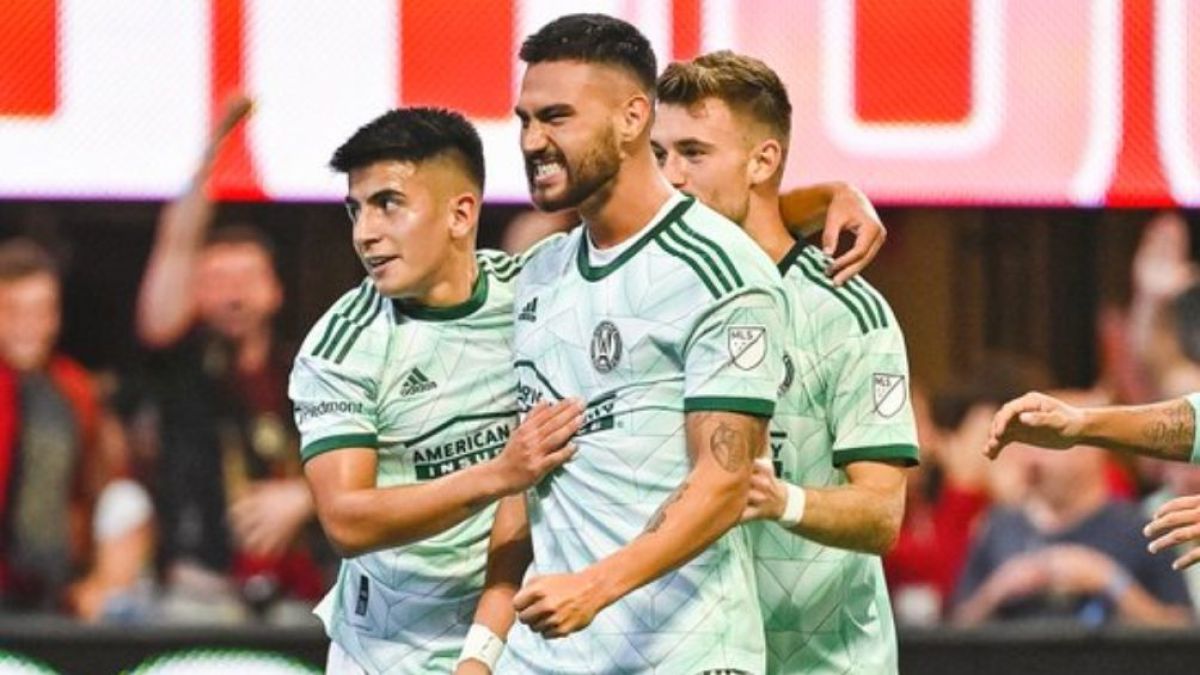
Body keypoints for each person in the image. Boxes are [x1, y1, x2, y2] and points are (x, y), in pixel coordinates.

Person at [462, 15, 790, 674]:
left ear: (633, 118)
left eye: (557, 117)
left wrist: (595, 585)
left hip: (684, 652)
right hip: (549, 654)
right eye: (525, 120)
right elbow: (526, 483)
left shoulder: (717, 269)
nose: (533, 140)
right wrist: (480, 653)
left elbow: (724, 483)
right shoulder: (540, 273)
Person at [651, 50, 918, 673]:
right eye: (659, 155)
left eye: (693, 153)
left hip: (825, 662)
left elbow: (881, 513)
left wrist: (781, 500)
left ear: (763, 160)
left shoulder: (850, 315)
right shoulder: (656, 293)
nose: (671, 177)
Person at [292, 107, 584, 673]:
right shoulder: (342, 346)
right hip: (387, 653)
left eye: (388, 204)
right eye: (356, 209)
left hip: (518, 637)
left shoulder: (534, 296)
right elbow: (346, 519)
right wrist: (499, 473)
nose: (365, 233)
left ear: (461, 213)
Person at [134, 96, 321, 616]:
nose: (235, 296)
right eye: (218, 282)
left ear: (275, 291)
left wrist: (307, 498)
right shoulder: (180, 364)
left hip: (299, 591)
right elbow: (175, 245)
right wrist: (212, 152)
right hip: (202, 586)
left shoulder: (312, 369)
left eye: (247, 280)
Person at [0, 239, 151, 618]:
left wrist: (97, 580)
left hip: (56, 586)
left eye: (41, 311)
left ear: (56, 317)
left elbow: (105, 482)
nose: (27, 326)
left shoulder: (74, 389)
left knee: (128, 502)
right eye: (12, 311)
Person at [956, 394, 1192, 627]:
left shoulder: (1141, 528)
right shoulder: (999, 526)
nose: (1032, 458)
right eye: (1027, 444)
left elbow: (1182, 630)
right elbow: (953, 629)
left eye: (1046, 443)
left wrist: (1109, 582)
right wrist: (999, 590)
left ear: (1092, 449)